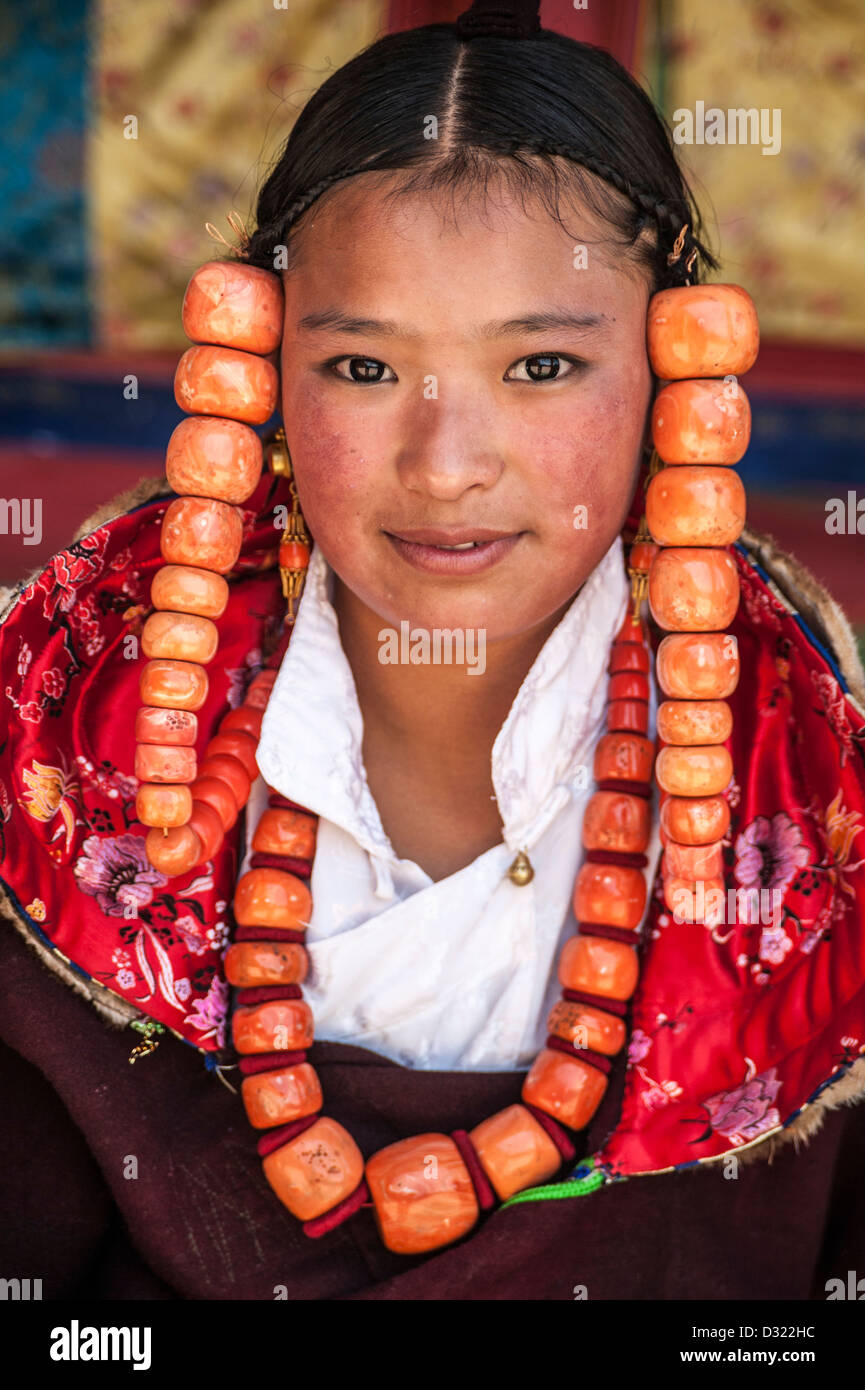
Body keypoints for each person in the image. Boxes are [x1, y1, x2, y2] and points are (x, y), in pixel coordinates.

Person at [1, 0, 865, 1299]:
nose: (445, 464)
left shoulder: (803, 796)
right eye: (359, 364)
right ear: (261, 362)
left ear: (672, 366)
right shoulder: (71, 735)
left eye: (539, 367)